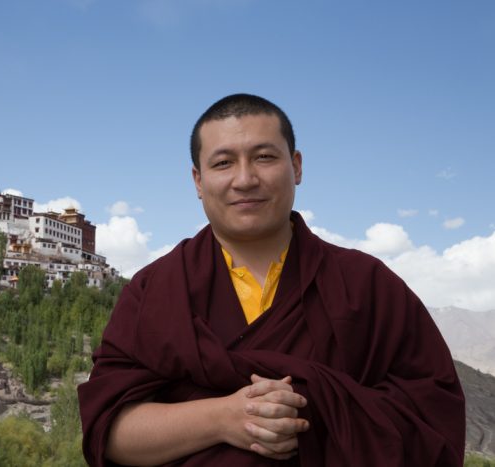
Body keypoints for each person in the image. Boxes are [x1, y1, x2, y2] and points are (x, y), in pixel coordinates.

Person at [78, 94, 465, 466]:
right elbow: (108, 430)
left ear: (296, 166)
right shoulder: (156, 289)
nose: (245, 179)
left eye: (264, 157)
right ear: (198, 180)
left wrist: (320, 410)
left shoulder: (367, 285)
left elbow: (433, 416)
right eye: (223, 163)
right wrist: (224, 418)